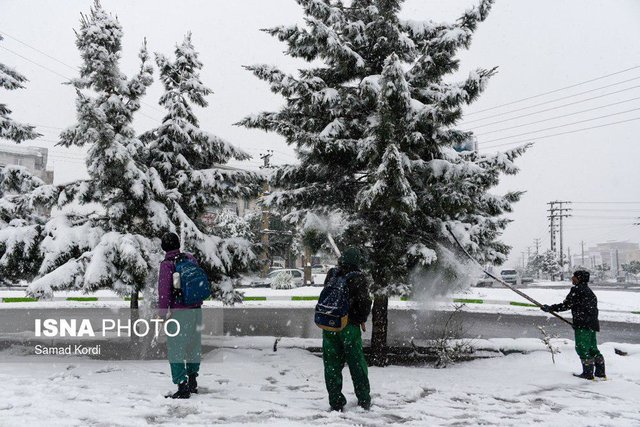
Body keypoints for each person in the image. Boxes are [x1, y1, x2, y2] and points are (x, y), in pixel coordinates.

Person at [322, 247, 373, 411]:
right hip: (349, 327)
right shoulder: (358, 278)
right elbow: (365, 303)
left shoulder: (332, 274)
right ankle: (364, 399)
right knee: (357, 364)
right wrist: (360, 319)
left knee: (331, 366)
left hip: (329, 325)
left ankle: (335, 402)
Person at [158, 232, 203, 398]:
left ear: (164, 247)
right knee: (193, 346)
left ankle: (182, 386)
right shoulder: (190, 258)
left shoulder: (167, 264)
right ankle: (193, 381)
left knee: (176, 348)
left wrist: (162, 315)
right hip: (197, 310)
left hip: (180, 313)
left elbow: (164, 293)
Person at [541, 270, 605, 380]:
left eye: (574, 277)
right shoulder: (588, 291)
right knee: (592, 348)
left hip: (583, 324)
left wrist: (551, 308)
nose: (572, 278)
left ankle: (588, 373)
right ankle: (600, 372)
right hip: (592, 324)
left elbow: (566, 305)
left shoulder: (577, 290)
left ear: (579, 278)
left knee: (582, 348)